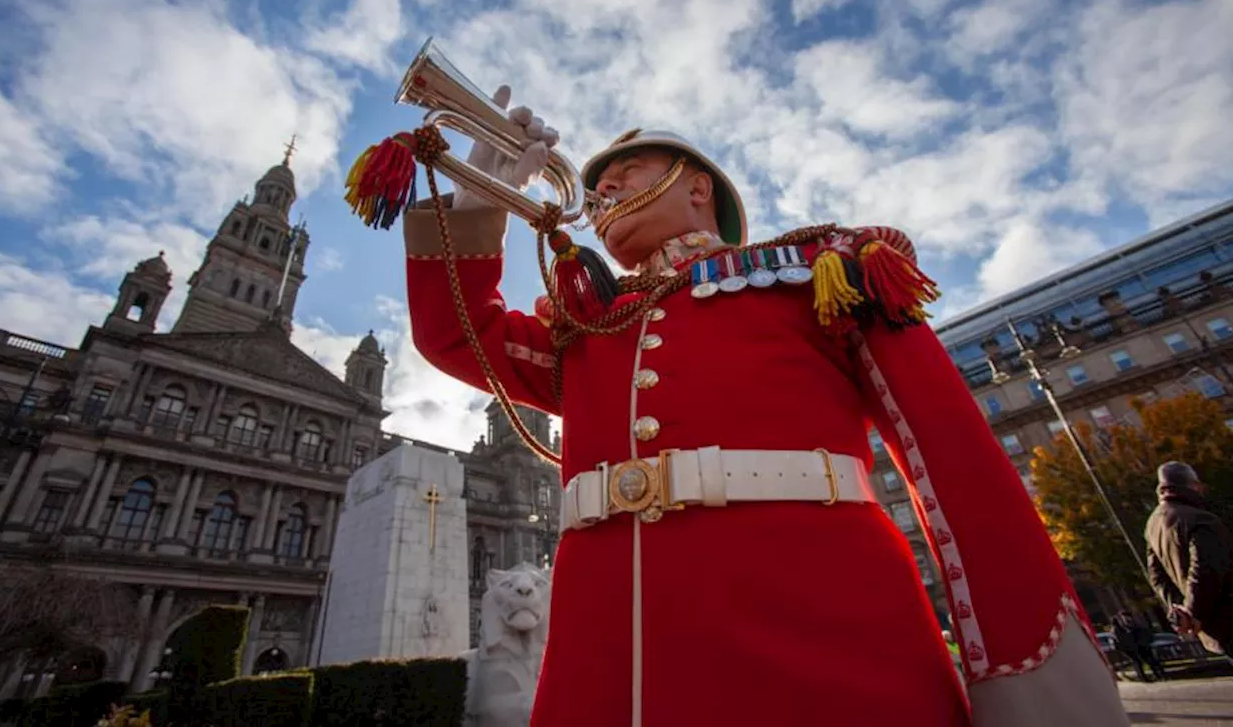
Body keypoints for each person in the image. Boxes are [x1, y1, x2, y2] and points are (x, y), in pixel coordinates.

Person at [394, 87, 1130, 726]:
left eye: (628, 171)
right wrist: (473, 210)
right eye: (599, 185)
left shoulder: (822, 271)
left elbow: (953, 463)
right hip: (603, 679)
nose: (604, 189)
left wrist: (1020, 673)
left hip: (823, 662)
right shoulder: (589, 322)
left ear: (696, 186)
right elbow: (456, 331)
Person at [1145, 461, 1233, 657]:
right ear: (1190, 485)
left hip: (1211, 629)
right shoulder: (1200, 519)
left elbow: (1157, 577)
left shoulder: (1153, 525)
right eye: (1197, 484)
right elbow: (1205, 570)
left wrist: (1181, 611)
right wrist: (1193, 613)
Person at [1110, 610, 1163, 682]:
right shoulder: (1120, 628)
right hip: (1134, 646)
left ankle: (1153, 676)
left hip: (1137, 645)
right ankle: (1150, 676)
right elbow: (1123, 639)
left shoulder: (1126, 626)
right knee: (1142, 661)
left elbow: (1130, 636)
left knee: (1144, 661)